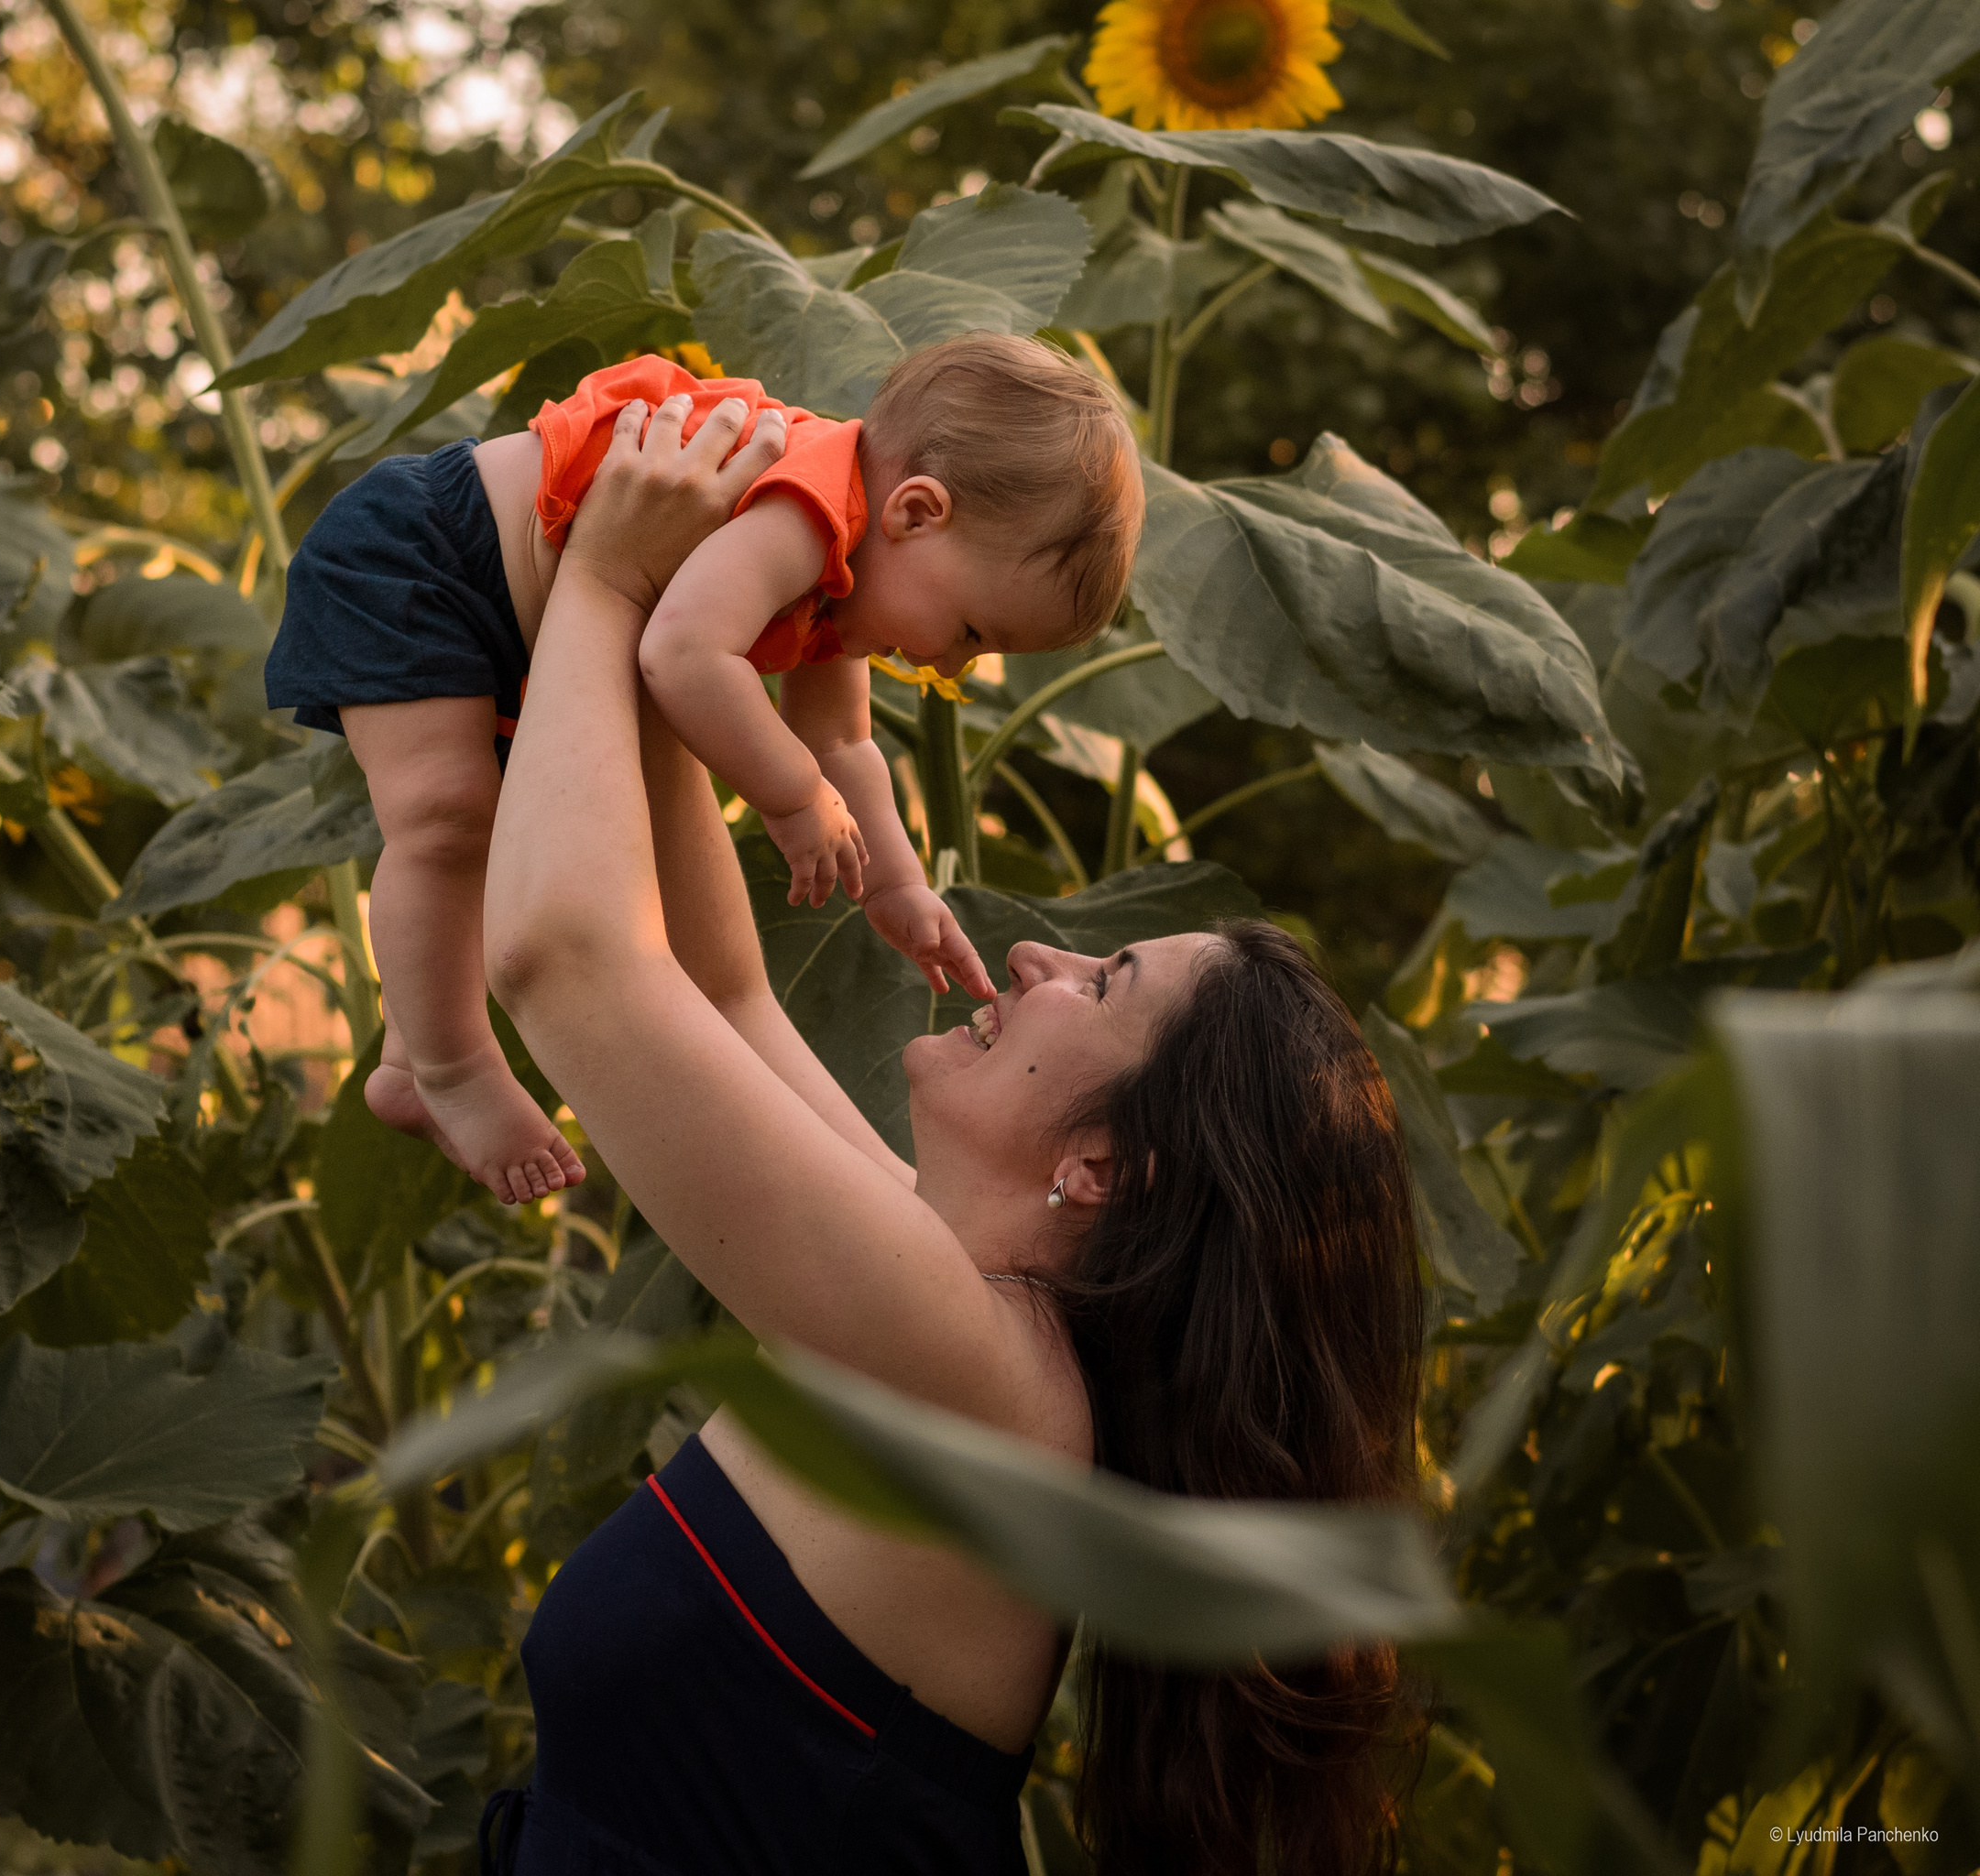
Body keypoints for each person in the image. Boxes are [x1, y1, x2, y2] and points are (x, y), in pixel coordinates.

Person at [474, 396, 1428, 1874]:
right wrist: (676, 615)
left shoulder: (978, 1380)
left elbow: (570, 962)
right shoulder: (965, 1320)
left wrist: (600, 577)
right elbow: (723, 996)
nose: (1039, 952)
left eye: (1102, 982)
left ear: (1106, 1169)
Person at [266, 334, 1144, 1205]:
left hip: (510, 621)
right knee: (448, 817)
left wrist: (896, 886)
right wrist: (791, 798)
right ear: (916, 512)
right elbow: (683, 652)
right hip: (425, 555)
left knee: (475, 820)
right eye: (971, 632)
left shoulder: (843, 574)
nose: (951, 666)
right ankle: (446, 1067)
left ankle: (409, 1054)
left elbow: (841, 743)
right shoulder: (805, 506)